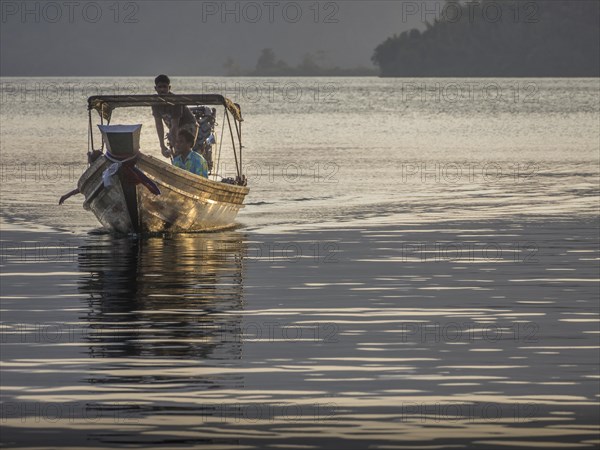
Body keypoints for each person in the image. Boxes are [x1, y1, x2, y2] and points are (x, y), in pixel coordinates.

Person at [152, 74, 199, 158]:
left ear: (169, 88)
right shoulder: (155, 102)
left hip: (188, 125)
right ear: (155, 88)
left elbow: (175, 126)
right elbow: (159, 125)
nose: (162, 89)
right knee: (174, 146)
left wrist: (175, 147)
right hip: (175, 128)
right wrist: (162, 146)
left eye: (164, 87)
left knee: (181, 147)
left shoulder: (175, 101)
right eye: (159, 87)